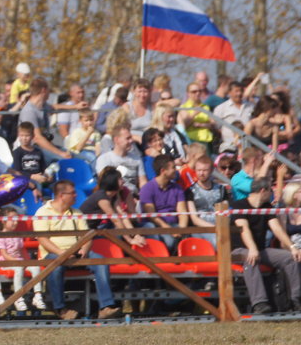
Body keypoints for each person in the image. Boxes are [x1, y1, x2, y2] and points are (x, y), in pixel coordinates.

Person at [33, 180, 120, 321]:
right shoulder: (42, 212)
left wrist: (84, 248)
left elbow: (87, 236)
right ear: (62, 195)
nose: (76, 195)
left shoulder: (77, 212)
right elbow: (43, 240)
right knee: (55, 267)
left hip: (78, 253)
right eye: (72, 193)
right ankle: (60, 309)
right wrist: (62, 253)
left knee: (100, 261)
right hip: (53, 254)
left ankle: (106, 307)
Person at [229, 178, 301, 314]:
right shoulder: (239, 205)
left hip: (260, 249)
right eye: (271, 190)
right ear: (263, 191)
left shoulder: (267, 207)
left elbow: (276, 229)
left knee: (290, 258)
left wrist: (292, 247)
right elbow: (243, 229)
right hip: (237, 250)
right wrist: (252, 248)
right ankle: (259, 303)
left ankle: (296, 299)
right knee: (251, 258)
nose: (272, 193)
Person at [138, 155, 190, 251]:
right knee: (169, 242)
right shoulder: (147, 189)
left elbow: (182, 212)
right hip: (157, 226)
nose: (176, 170)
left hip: (174, 225)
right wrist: (169, 230)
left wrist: (181, 230)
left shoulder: (177, 188)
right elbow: (152, 216)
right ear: (163, 171)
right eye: (173, 167)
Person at [18, 79, 68, 161]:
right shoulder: (29, 111)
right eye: (49, 90)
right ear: (44, 90)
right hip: (33, 150)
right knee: (66, 161)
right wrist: (60, 153)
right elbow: (37, 138)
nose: (50, 93)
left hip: (45, 146)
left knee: (81, 159)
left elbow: (54, 107)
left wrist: (76, 107)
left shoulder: (42, 106)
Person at [184, 156, 228, 246]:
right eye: (199, 170)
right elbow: (195, 219)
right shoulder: (190, 191)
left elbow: (225, 212)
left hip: (220, 225)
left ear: (211, 170)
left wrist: (220, 227)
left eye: (205, 170)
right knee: (217, 242)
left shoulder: (221, 189)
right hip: (200, 229)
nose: (201, 173)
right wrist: (214, 228)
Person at [94, 125, 145, 192]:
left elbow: (143, 181)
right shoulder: (104, 159)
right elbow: (105, 184)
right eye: (128, 138)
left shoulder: (136, 158)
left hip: (134, 196)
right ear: (116, 140)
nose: (131, 141)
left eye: (131, 138)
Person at [178, 82, 214, 149]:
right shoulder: (184, 107)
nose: (197, 93)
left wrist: (200, 125)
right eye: (194, 92)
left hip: (207, 140)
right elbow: (184, 126)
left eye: (199, 91)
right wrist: (194, 113)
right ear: (188, 93)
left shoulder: (206, 107)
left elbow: (213, 125)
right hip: (192, 141)